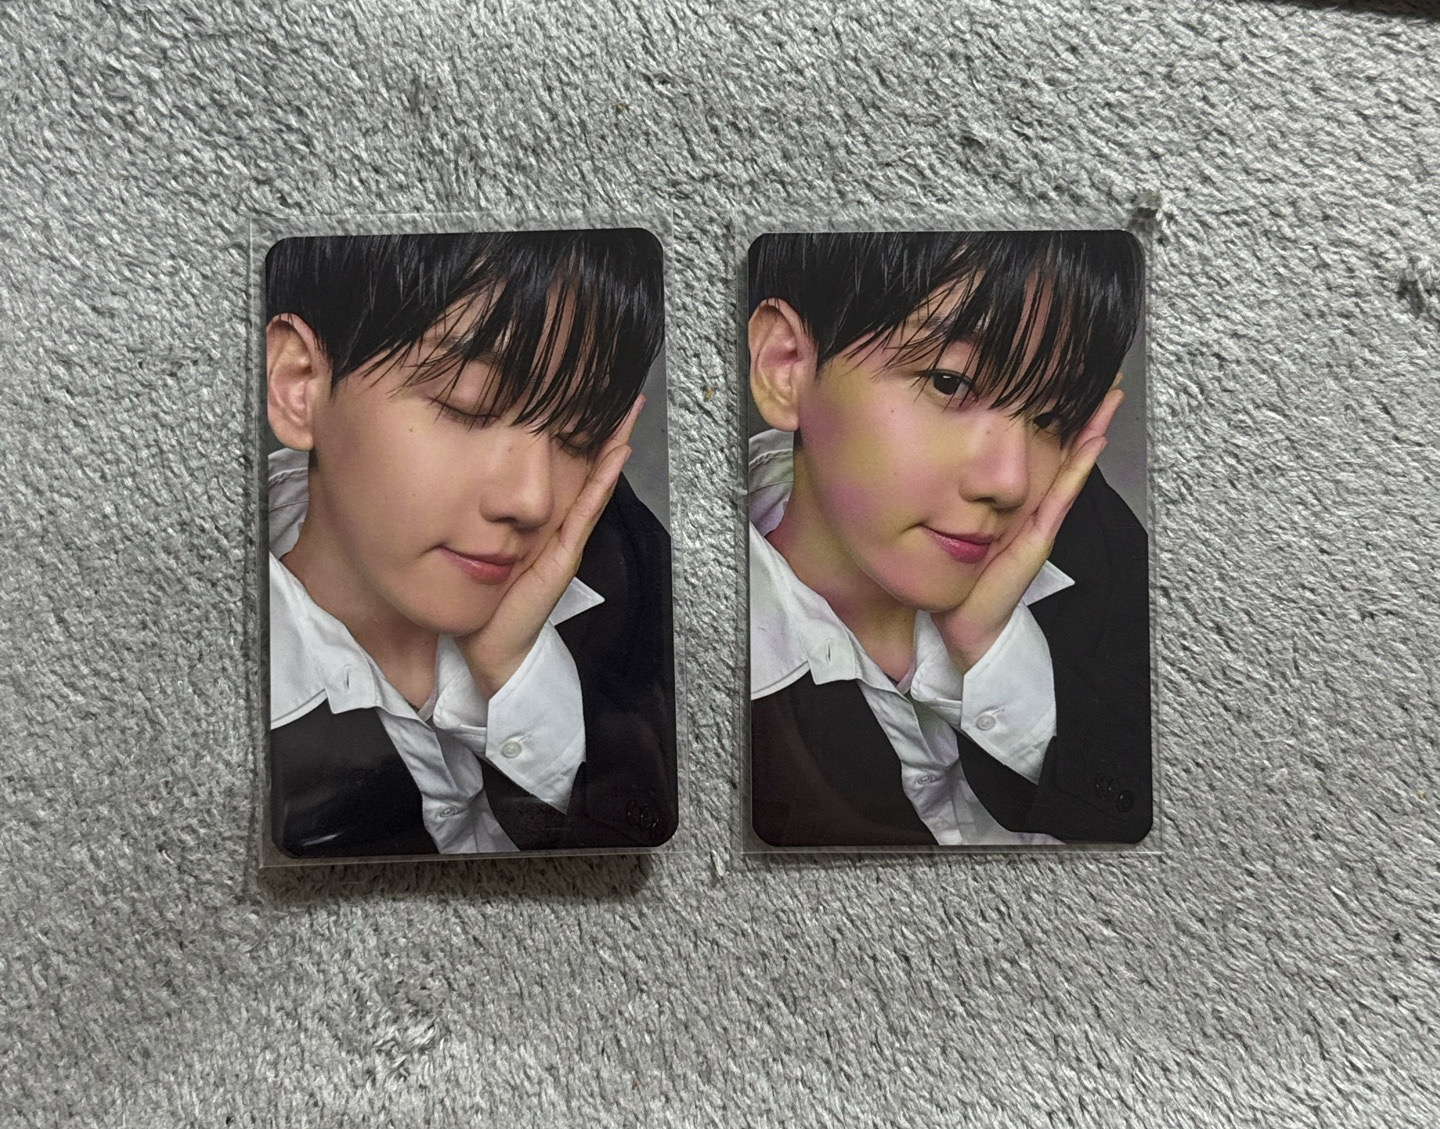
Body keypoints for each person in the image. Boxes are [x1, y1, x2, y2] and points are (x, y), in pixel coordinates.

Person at [265, 230, 675, 858]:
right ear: (300, 384)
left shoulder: (628, 563)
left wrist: (513, 671)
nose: (532, 500)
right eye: (470, 407)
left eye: (578, 435)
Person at [746, 230, 1150, 847]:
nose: (1010, 482)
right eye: (950, 382)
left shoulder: (1087, 531)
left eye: (1051, 416)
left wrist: (989, 648)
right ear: (786, 367)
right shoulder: (662, 625)